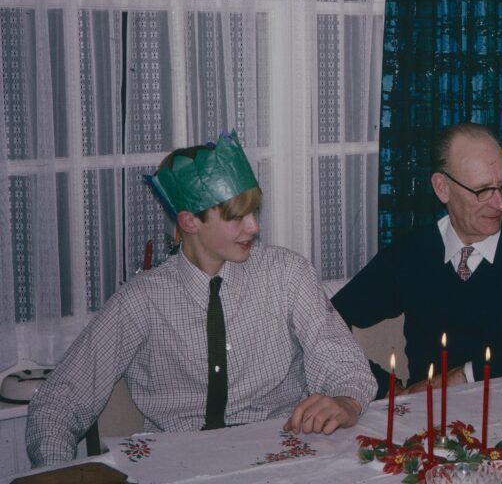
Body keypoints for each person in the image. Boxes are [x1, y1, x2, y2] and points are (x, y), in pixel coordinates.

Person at [26, 132, 376, 467]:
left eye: (255, 211)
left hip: (281, 455)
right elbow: (58, 402)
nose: (254, 227)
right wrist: (55, 470)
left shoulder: (287, 273)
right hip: (179, 465)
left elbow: (342, 364)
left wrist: (346, 400)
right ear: (189, 221)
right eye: (237, 216)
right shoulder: (142, 300)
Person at [332, 123, 502, 396]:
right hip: (433, 419)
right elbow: (326, 320)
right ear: (443, 188)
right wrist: (385, 389)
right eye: (483, 191)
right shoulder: (413, 251)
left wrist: (464, 375)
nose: (500, 204)